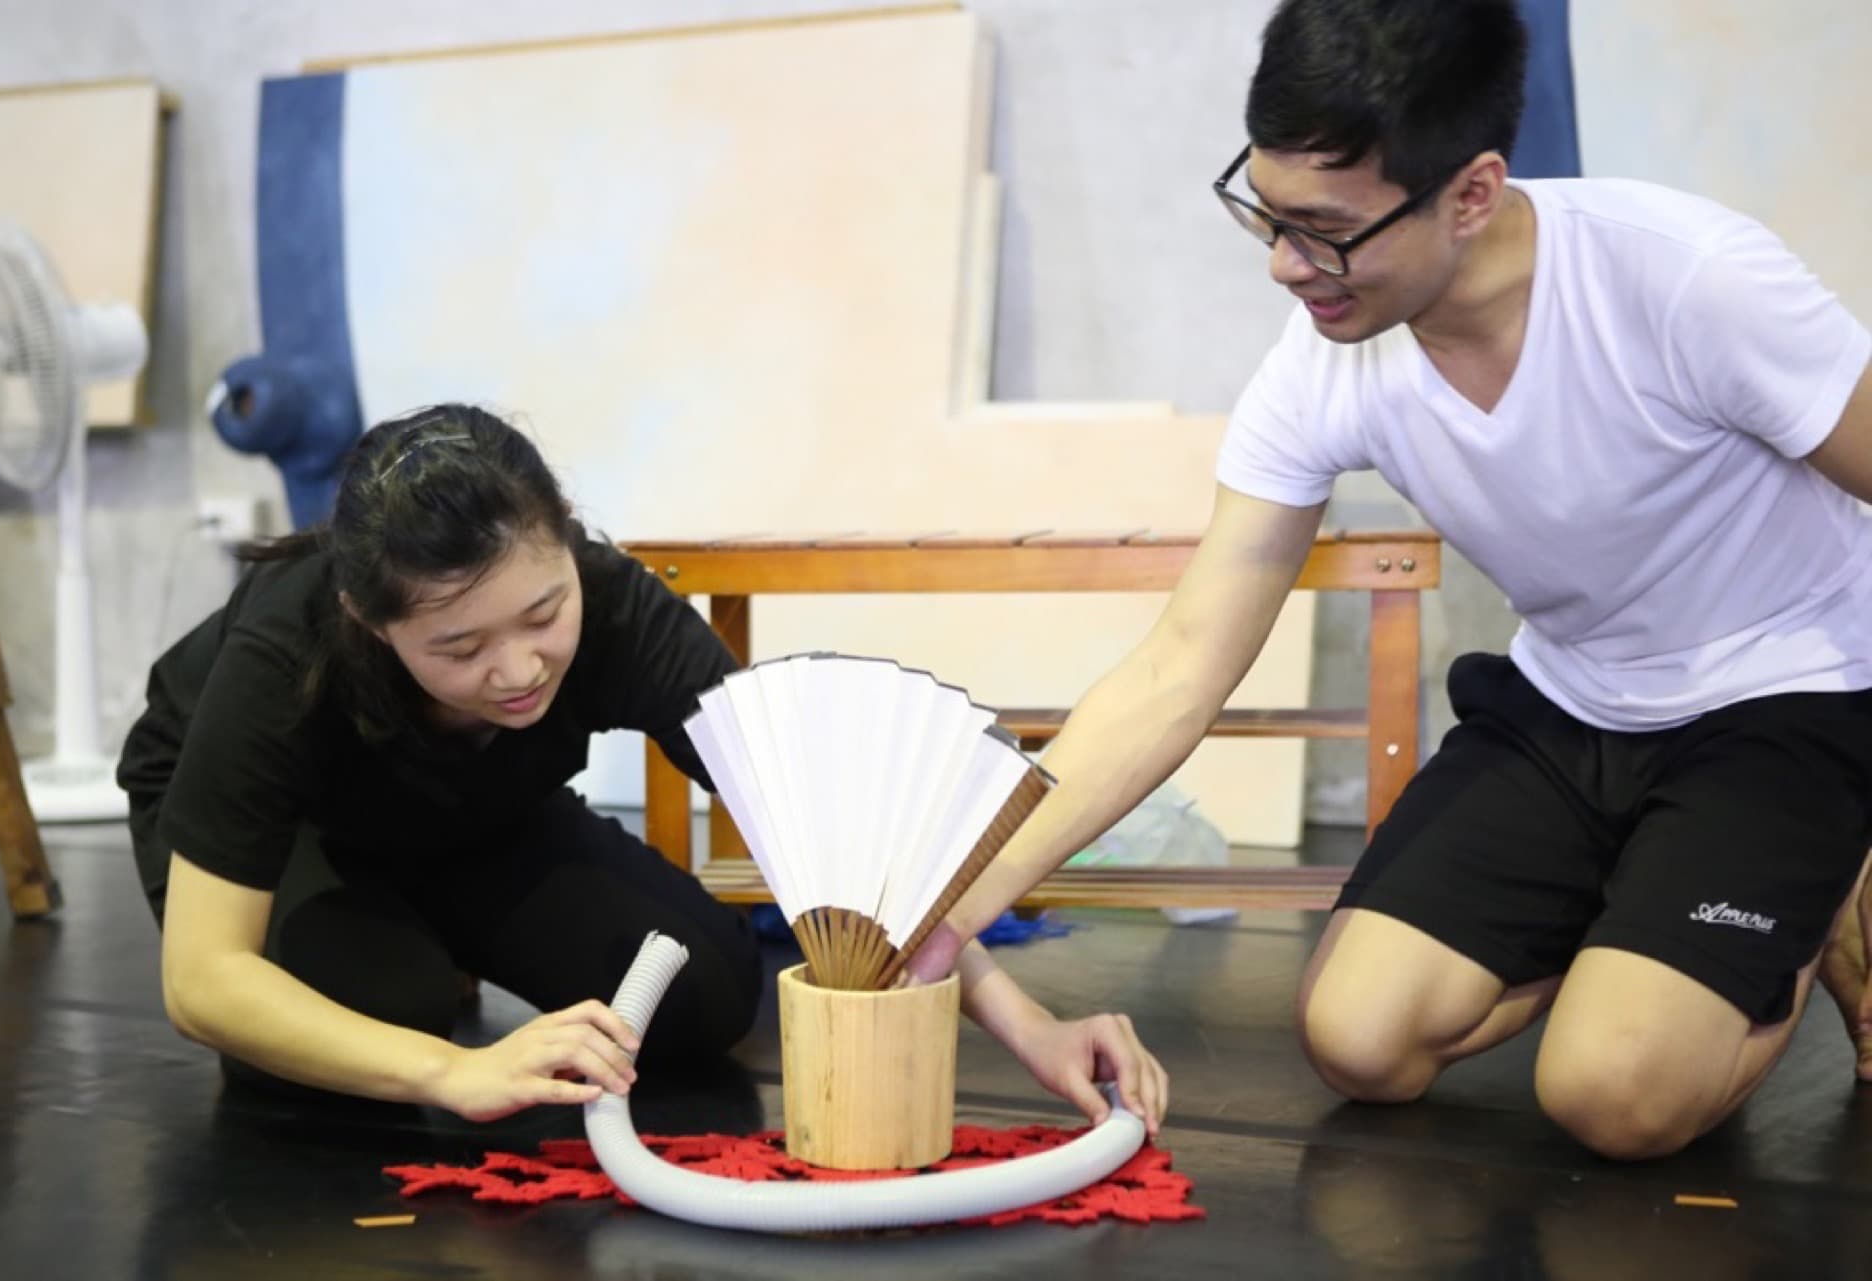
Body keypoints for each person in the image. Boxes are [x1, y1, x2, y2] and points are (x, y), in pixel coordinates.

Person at [907, 0, 1872, 1160]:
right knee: (1358, 1041)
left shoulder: (1686, 281)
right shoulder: (1325, 361)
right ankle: (1659, 913)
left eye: (1325, 232)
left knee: (1613, 1095)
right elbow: (1180, 666)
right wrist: (960, 902)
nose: (1285, 265)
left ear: (1471, 194)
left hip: (1785, 698)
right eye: (1266, 214)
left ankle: (1819, 896)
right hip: (1573, 697)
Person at [119, 403, 1169, 1130]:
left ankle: (427, 926)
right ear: (369, 620)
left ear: (567, 545)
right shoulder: (288, 651)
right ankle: (403, 958)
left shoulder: (618, 608)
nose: (518, 670)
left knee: (707, 993)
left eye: (543, 612)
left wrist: (1029, 1025)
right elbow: (204, 981)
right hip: (291, 830)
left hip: (473, 814)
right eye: (459, 648)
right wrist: (454, 1071)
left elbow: (837, 835)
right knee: (387, 1015)